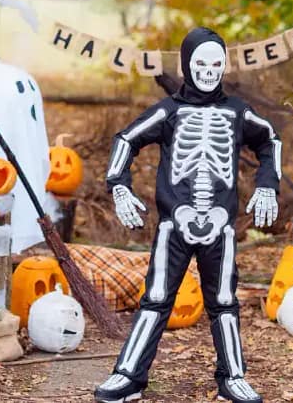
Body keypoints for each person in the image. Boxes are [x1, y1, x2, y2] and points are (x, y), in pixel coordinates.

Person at [94, 27, 282, 403]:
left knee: (224, 301)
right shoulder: (170, 111)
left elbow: (269, 140)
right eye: (201, 64)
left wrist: (267, 185)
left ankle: (233, 377)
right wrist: (119, 185)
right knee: (156, 298)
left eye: (216, 64)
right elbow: (126, 139)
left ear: (224, 66)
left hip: (220, 226)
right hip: (174, 224)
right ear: (186, 65)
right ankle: (128, 375)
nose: (209, 72)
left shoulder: (237, 112)